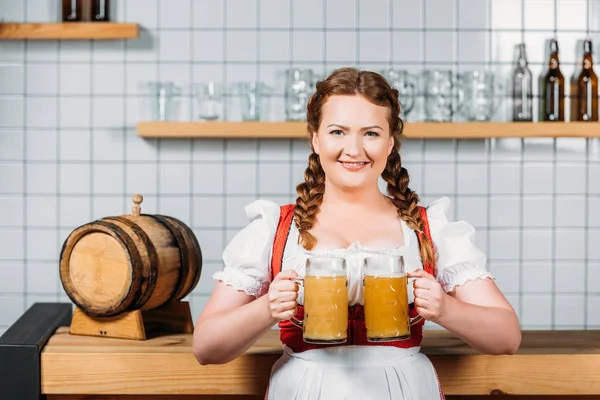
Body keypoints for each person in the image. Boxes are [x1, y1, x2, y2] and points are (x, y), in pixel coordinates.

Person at [192, 67, 521, 399]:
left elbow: (507, 338)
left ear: (390, 142)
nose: (353, 149)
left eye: (371, 133)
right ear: (315, 139)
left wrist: (446, 310)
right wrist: (265, 309)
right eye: (338, 132)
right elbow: (206, 347)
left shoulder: (428, 227)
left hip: (403, 390)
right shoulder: (273, 228)